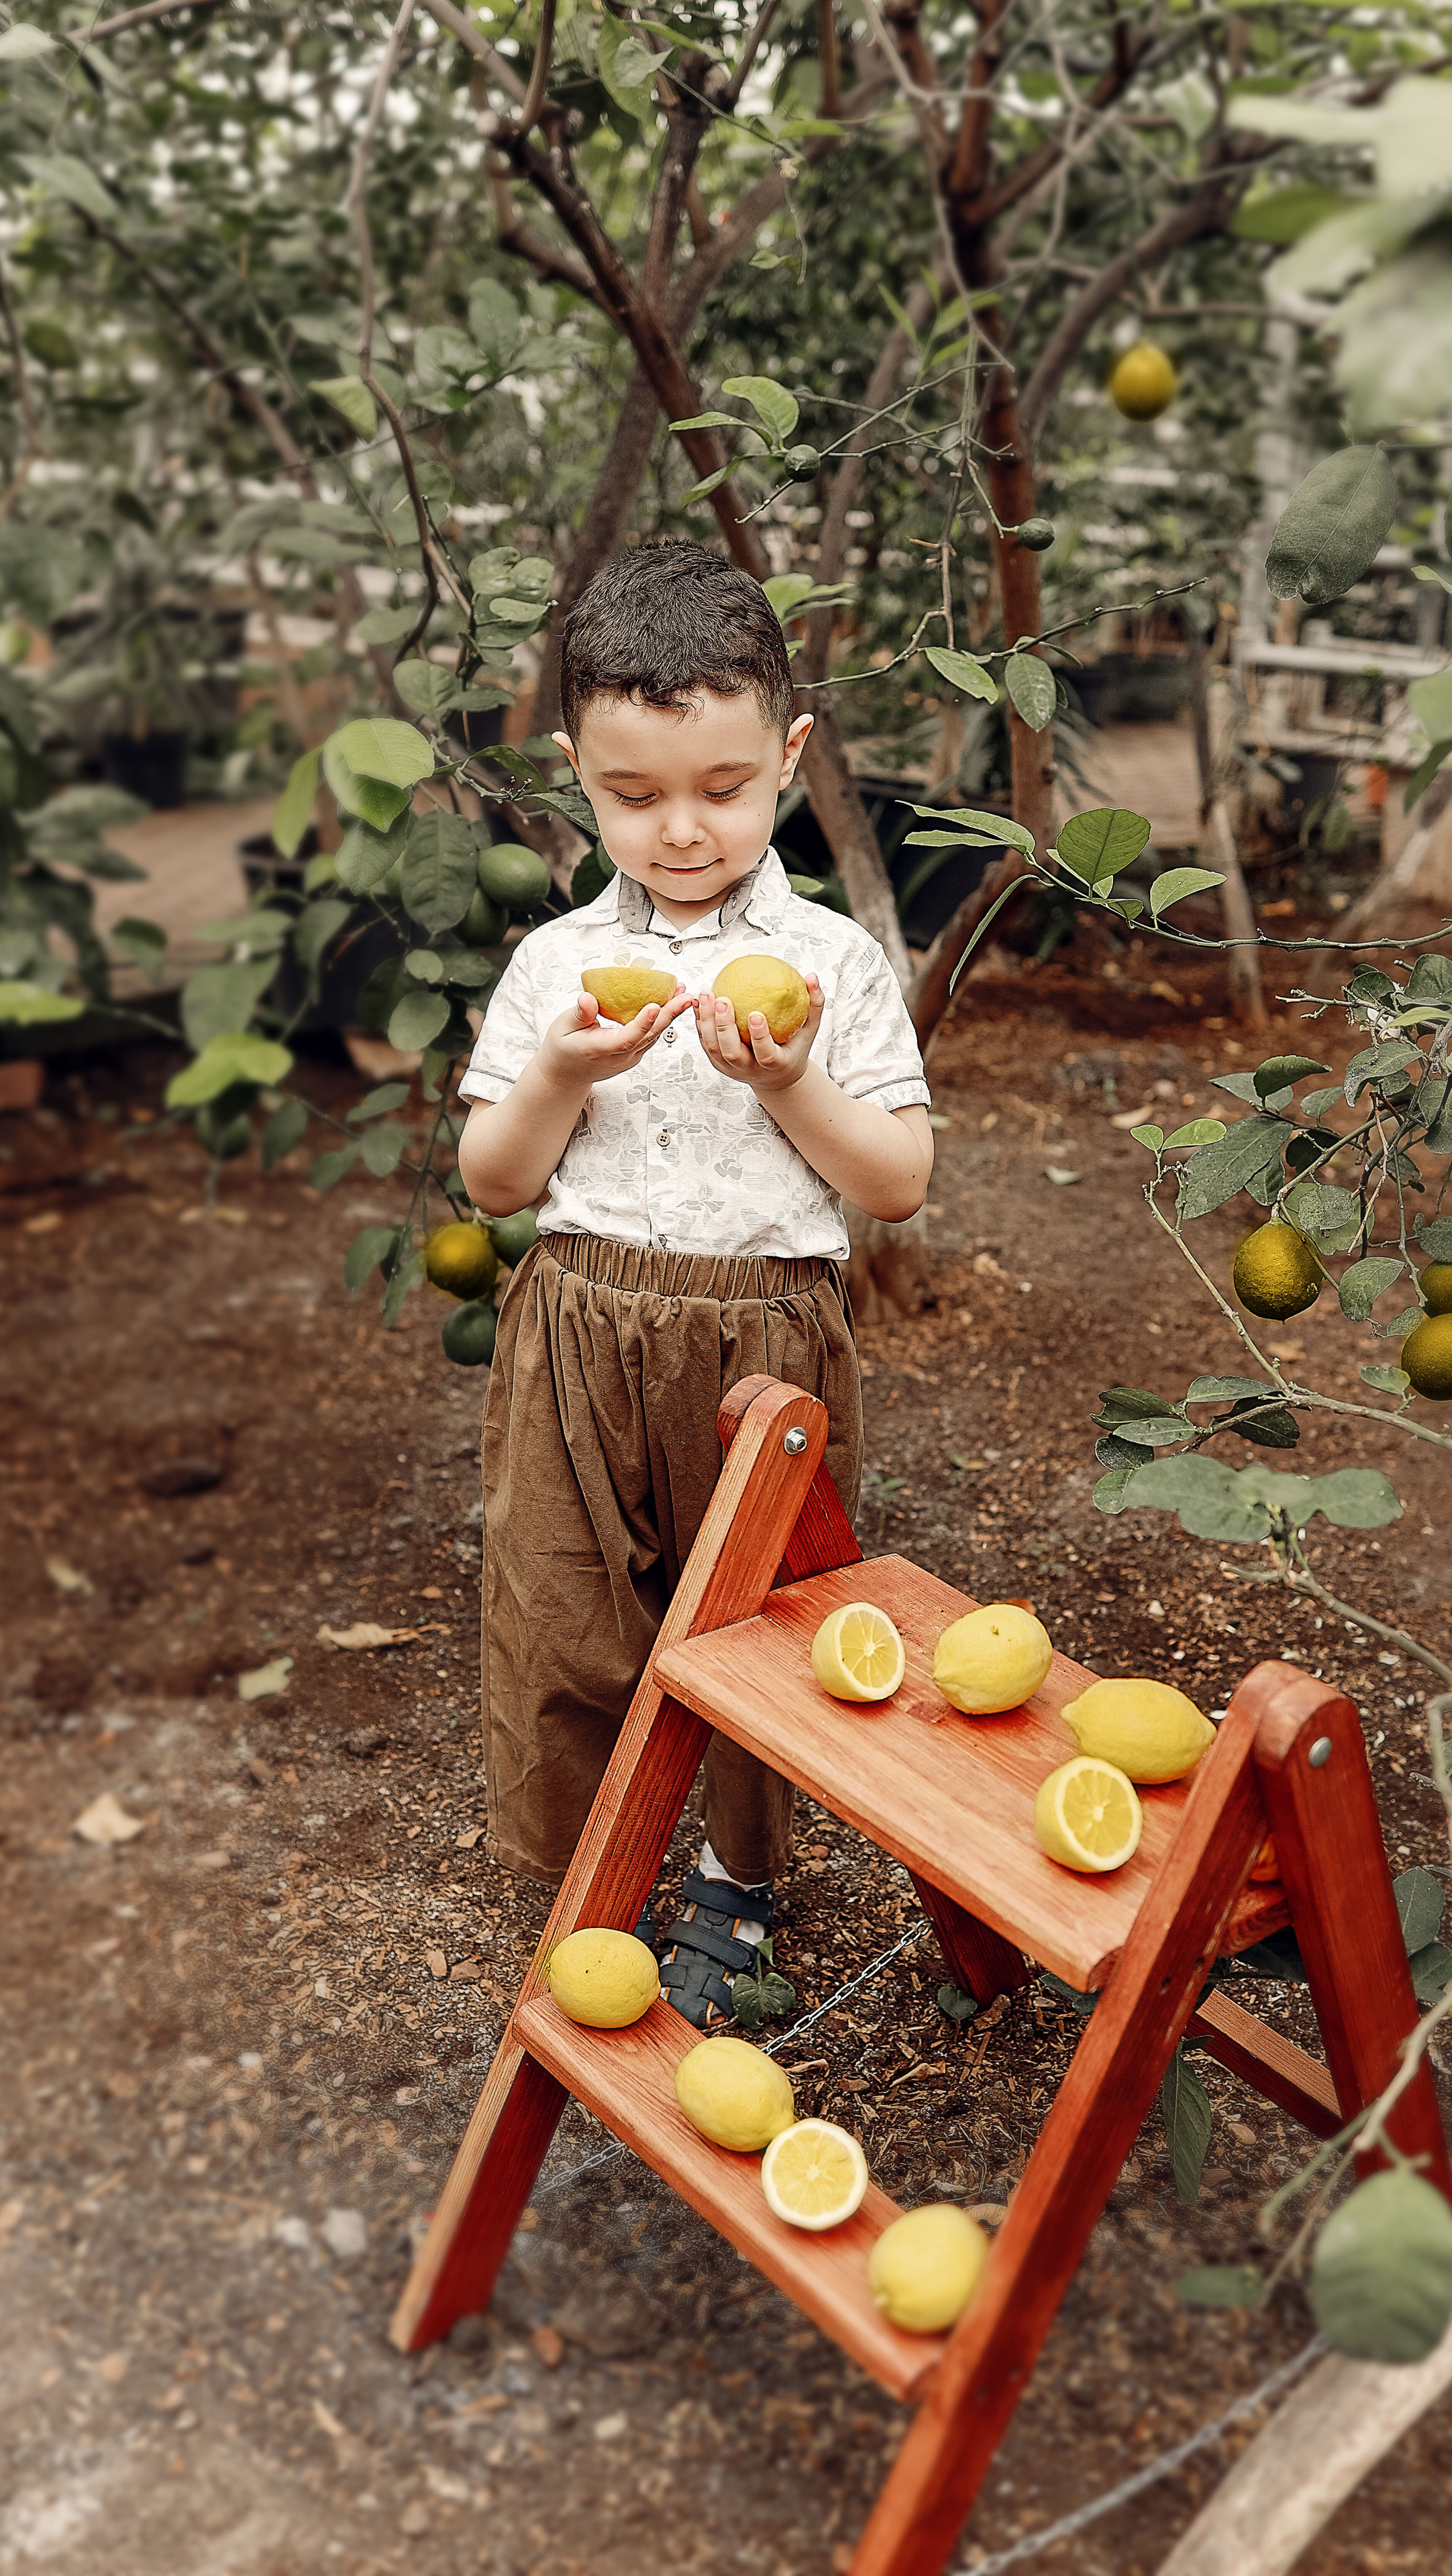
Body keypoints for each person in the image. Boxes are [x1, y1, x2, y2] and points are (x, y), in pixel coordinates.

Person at [456, 540, 932, 2028]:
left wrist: (786, 1080)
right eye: (632, 794)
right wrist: (555, 1073)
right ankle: (582, 1860)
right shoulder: (554, 966)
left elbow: (895, 1181)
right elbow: (493, 1183)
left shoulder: (833, 962)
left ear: (789, 755)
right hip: (575, 1324)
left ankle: (736, 1875)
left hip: (765, 1342)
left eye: (723, 789)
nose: (678, 830)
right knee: (559, 1598)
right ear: (574, 775)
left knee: (757, 1627)